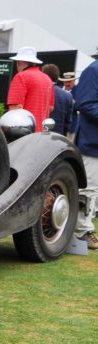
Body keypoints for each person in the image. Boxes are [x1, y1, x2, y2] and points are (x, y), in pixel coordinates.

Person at [71, 59, 98, 249]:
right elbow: (86, 103)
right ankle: (82, 232)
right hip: (92, 141)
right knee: (89, 188)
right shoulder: (94, 70)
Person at [6, 46, 54, 132]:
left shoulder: (20, 76)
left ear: (19, 62)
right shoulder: (47, 79)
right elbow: (51, 107)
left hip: (24, 133)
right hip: (43, 133)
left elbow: (14, 109)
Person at [41, 63, 73, 136]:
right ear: (57, 76)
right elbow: (68, 122)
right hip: (58, 137)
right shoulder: (68, 96)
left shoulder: (38, 92)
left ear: (43, 75)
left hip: (38, 136)